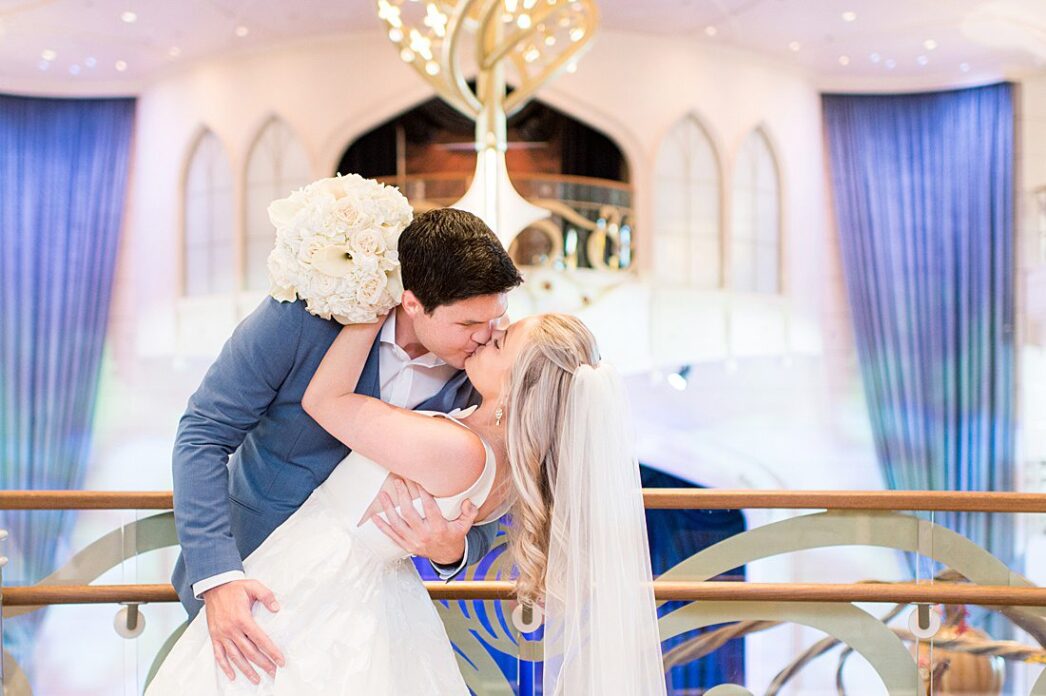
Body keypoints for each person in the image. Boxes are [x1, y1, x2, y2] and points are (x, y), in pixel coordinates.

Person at [147, 309, 665, 694]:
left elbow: (326, 403)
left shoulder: (459, 448)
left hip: (318, 589)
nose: (488, 334)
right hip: (347, 585)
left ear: (516, 388)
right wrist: (449, 551)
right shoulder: (508, 459)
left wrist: (366, 306)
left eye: (501, 340)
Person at [168, 208, 522, 684]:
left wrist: (450, 550)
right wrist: (218, 577)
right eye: (468, 323)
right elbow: (203, 432)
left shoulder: (483, 378)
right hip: (250, 577)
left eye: (496, 318)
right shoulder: (302, 318)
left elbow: (489, 509)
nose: (486, 336)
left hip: (364, 619)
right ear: (413, 303)